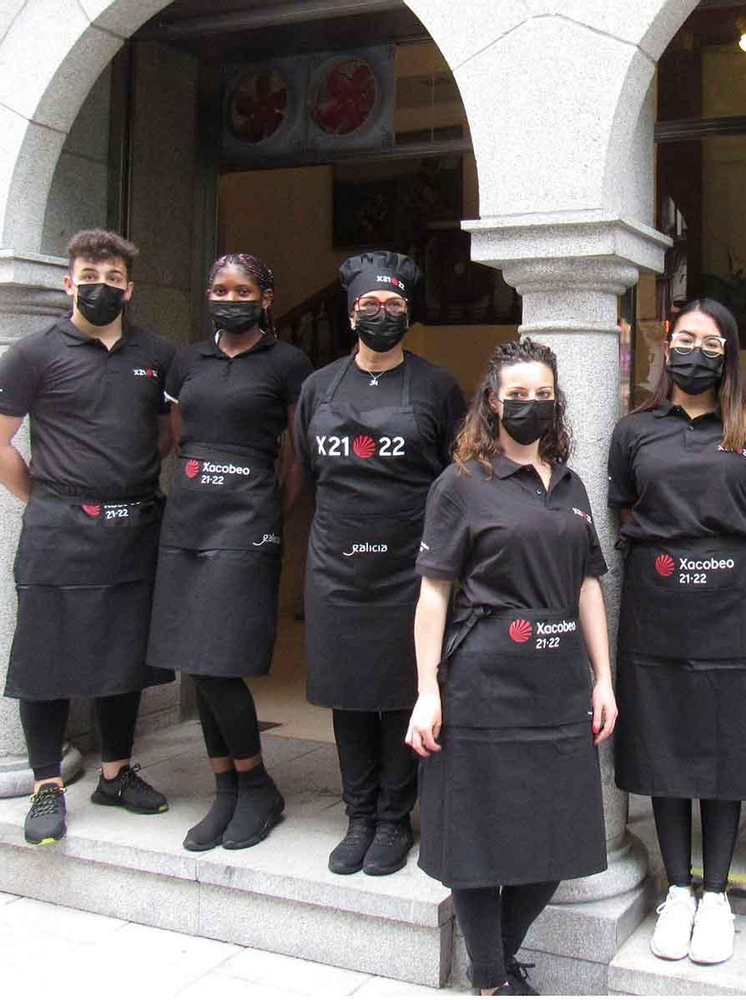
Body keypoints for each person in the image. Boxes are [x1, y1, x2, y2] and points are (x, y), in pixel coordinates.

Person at [406, 338, 616, 996]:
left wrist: (604, 677)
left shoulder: (574, 485)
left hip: (558, 687)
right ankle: (492, 978)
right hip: (481, 683)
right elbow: (433, 592)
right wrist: (425, 691)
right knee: (478, 840)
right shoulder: (462, 484)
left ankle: (491, 958)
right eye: (517, 395)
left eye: (543, 395)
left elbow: (588, 587)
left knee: (557, 845)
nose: (531, 405)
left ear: (557, 403)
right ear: (492, 402)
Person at [0, 229, 177, 845]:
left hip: (134, 524)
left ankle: (115, 773)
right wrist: (45, 498)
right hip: (59, 530)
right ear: (68, 282)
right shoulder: (31, 354)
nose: (101, 288)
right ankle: (46, 788)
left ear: (129, 288)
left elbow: (166, 435)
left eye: (113, 280)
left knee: (124, 657)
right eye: (89, 276)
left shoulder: (157, 354)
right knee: (46, 658)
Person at [609, 298, 746, 965]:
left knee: (723, 751)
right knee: (664, 748)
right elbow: (626, 503)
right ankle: (676, 889)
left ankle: (716, 894)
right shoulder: (635, 432)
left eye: (711, 344)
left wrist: (723, 575)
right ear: (665, 345)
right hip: (655, 610)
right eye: (686, 339)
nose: (696, 353)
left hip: (732, 611)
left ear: (729, 355)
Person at [295, 251, 466, 877]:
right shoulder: (318, 387)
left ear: (409, 314)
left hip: (408, 566)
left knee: (401, 692)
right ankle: (358, 814)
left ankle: (395, 818)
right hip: (336, 565)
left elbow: (457, 474)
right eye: (370, 305)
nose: (382, 314)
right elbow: (310, 468)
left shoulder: (437, 387)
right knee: (348, 694)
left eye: (394, 306)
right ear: (350, 314)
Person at [147, 253, 313, 852]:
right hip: (187, 517)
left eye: (242, 289)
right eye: (219, 288)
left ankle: (257, 783)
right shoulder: (187, 360)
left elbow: (301, 456)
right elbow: (170, 436)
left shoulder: (289, 363)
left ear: (266, 298)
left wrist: (271, 512)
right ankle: (228, 789)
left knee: (220, 661)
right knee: (195, 660)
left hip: (246, 522)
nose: (228, 297)